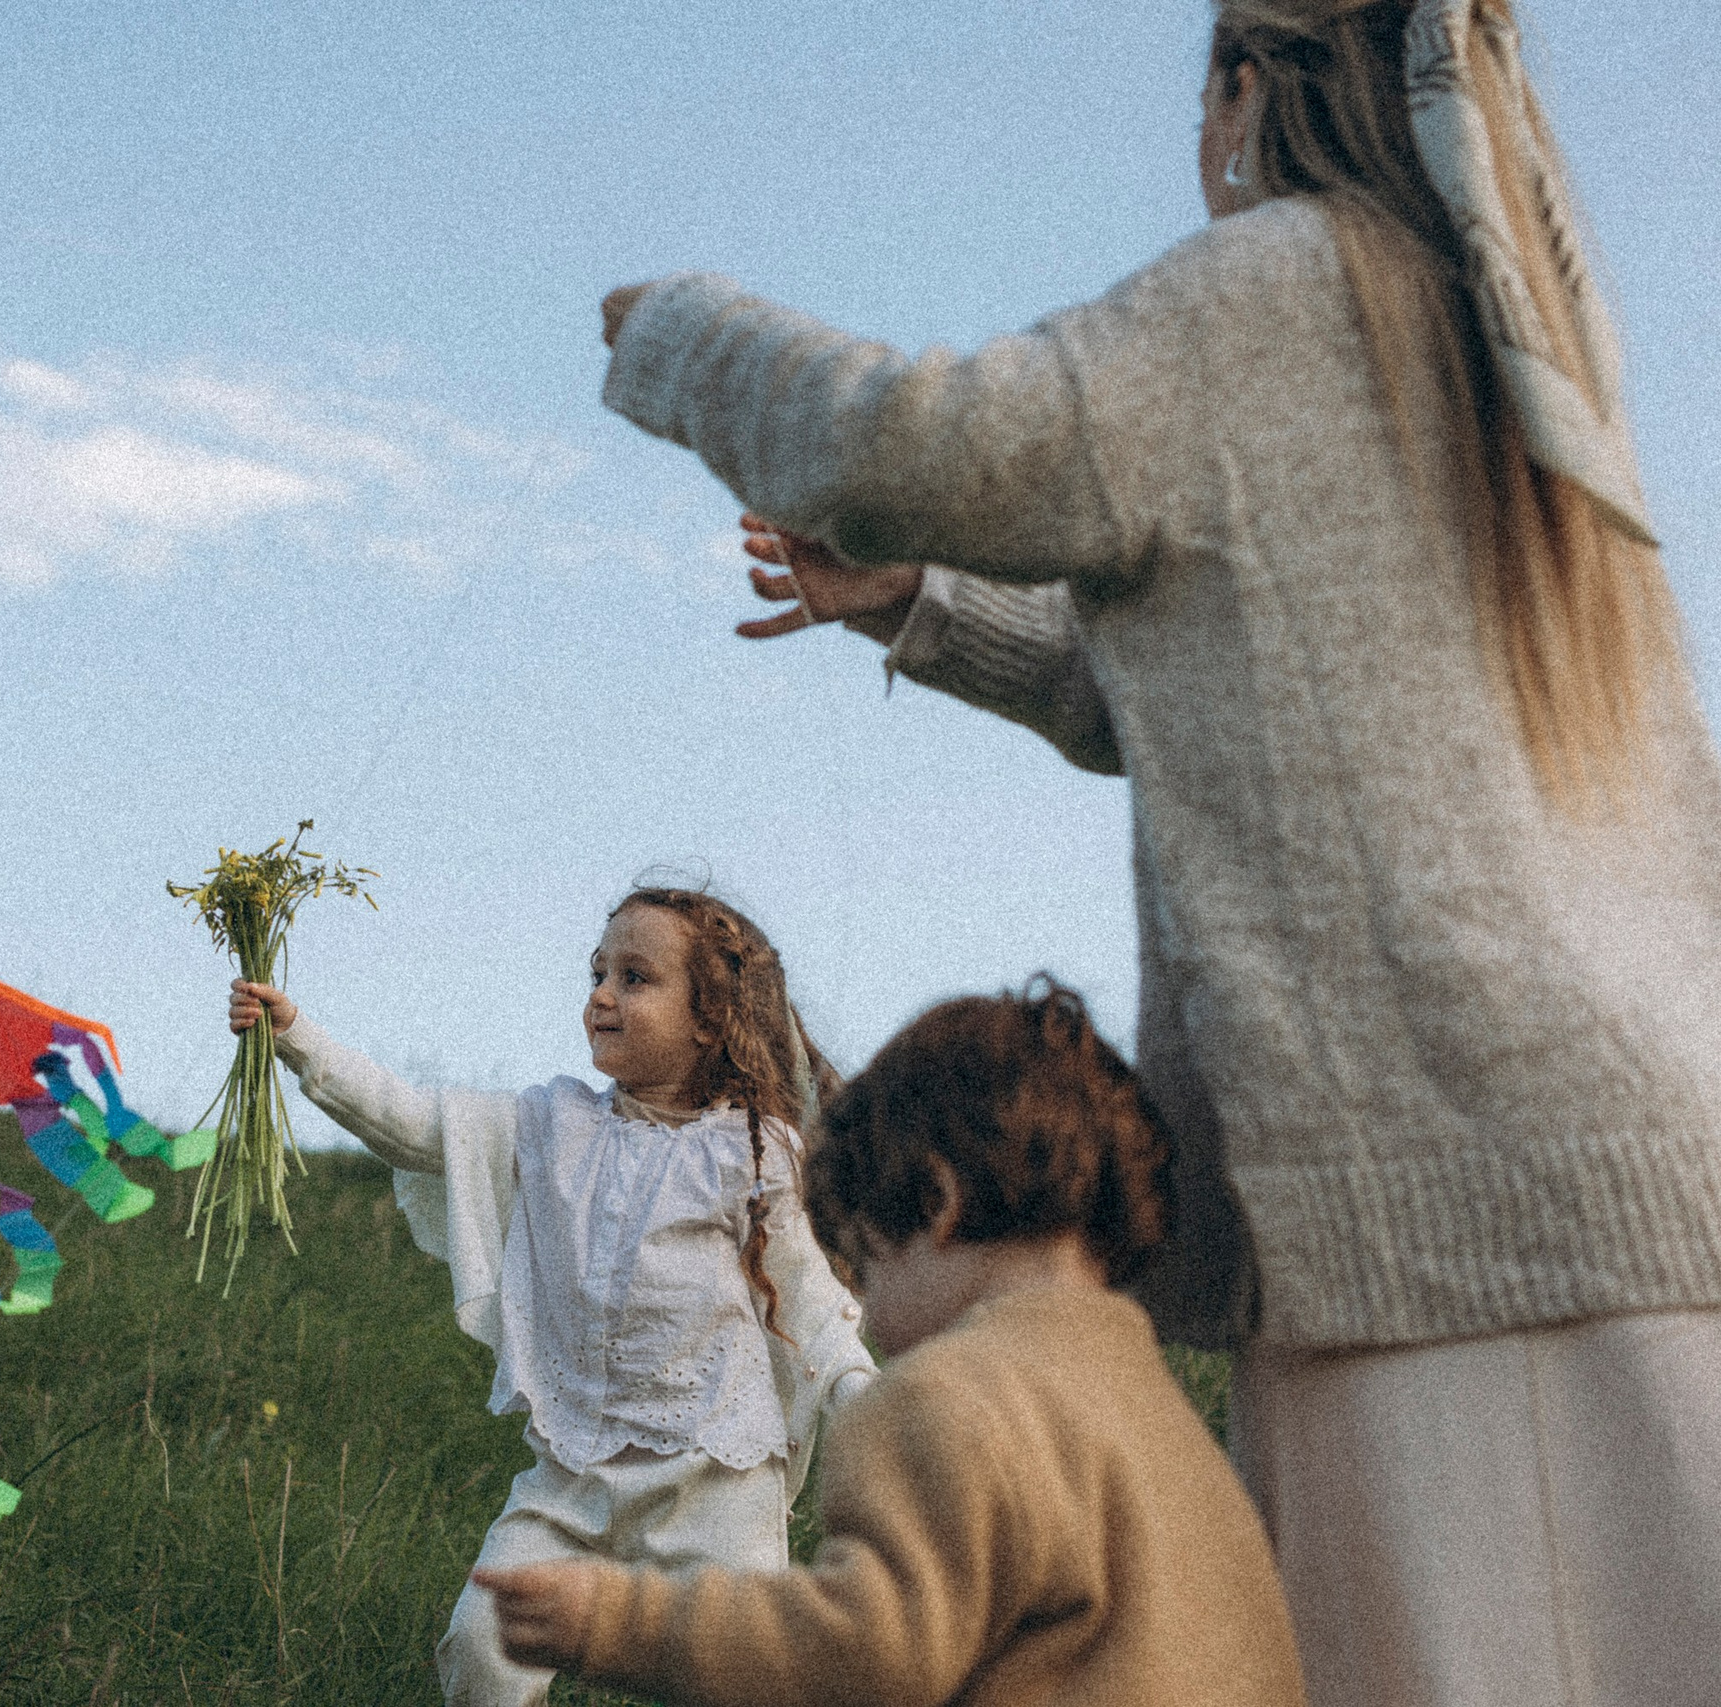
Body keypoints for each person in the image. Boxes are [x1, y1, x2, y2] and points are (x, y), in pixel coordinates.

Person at [594, 1, 1721, 1701]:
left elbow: (917, 442)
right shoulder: (1526, 347)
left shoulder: (1276, 290)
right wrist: (916, 603)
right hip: (1653, 1186)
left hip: (1428, 1205)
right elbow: (1224, 684)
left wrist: (679, 333)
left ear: (1247, 90)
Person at [476, 980, 1307, 1707]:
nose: (867, 1314)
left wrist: (613, 1620)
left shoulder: (947, 1395)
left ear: (937, 1204)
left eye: (867, 1263)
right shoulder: (1166, 1417)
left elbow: (870, 1650)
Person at [227, 886, 875, 1706]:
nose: (601, 993)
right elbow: (413, 1122)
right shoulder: (552, 1122)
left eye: (636, 977)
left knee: (741, 1675)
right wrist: (296, 1036)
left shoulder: (751, 1151)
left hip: (716, 1481)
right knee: (484, 1645)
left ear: (711, 1017)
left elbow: (811, 1301)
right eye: (597, 971)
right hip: (570, 1477)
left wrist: (865, 1397)